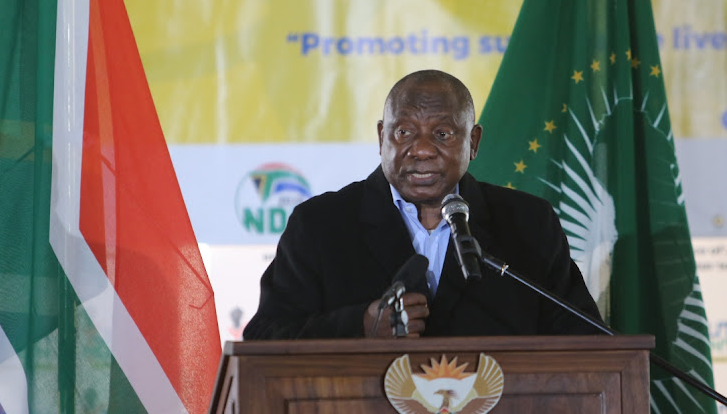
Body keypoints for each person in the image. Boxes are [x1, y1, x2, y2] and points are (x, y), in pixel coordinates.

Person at [243, 69, 603, 339]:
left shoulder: (529, 223)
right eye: (404, 132)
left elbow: (583, 337)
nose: (423, 149)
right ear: (381, 137)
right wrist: (361, 326)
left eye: (443, 134)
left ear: (473, 142)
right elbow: (265, 336)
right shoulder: (321, 224)